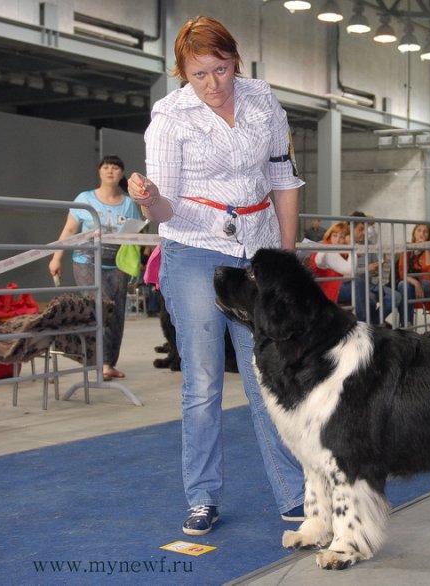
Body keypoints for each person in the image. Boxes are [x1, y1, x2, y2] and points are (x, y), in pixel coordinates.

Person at [126, 16, 305, 536]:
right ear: (182, 72)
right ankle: (202, 496)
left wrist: (285, 258)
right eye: (199, 74)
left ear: (236, 62)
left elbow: (282, 178)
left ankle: (295, 496)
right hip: (195, 249)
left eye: (221, 70)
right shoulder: (169, 117)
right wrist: (147, 197)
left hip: (257, 247)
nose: (212, 84)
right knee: (203, 382)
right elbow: (164, 208)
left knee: (268, 379)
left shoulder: (263, 101)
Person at [48, 155, 141, 381]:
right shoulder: (85, 198)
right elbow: (69, 230)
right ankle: (92, 358)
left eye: (115, 168)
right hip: (86, 261)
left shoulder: (129, 203)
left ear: (122, 174)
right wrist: (56, 258)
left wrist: (137, 267)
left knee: (116, 311)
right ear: (100, 172)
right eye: (106, 167)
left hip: (117, 263)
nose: (110, 171)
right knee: (98, 306)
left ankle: (108, 363)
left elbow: (137, 234)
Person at [342, 211, 400, 325]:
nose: (364, 233)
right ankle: (371, 326)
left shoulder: (369, 244)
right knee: (371, 299)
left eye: (365, 229)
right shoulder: (343, 245)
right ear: (350, 228)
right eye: (360, 229)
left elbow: (374, 265)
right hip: (356, 285)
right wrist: (367, 268)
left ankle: (373, 324)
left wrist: (379, 265)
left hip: (371, 284)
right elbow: (346, 273)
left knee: (395, 297)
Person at [397, 223, 430, 325]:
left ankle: (405, 325)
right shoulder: (407, 247)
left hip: (427, 284)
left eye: (425, 231)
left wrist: (426, 248)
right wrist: (416, 284)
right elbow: (402, 273)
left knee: (423, 284)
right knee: (404, 286)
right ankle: (408, 323)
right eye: (419, 230)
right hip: (409, 283)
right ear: (414, 233)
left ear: (428, 235)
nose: (422, 233)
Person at [310, 222, 352, 302]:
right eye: (335, 236)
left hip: (335, 288)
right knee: (358, 284)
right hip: (323, 292)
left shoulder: (344, 253)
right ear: (330, 235)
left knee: (369, 298)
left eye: (342, 237)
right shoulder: (324, 249)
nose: (337, 240)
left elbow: (348, 276)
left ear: (345, 240)